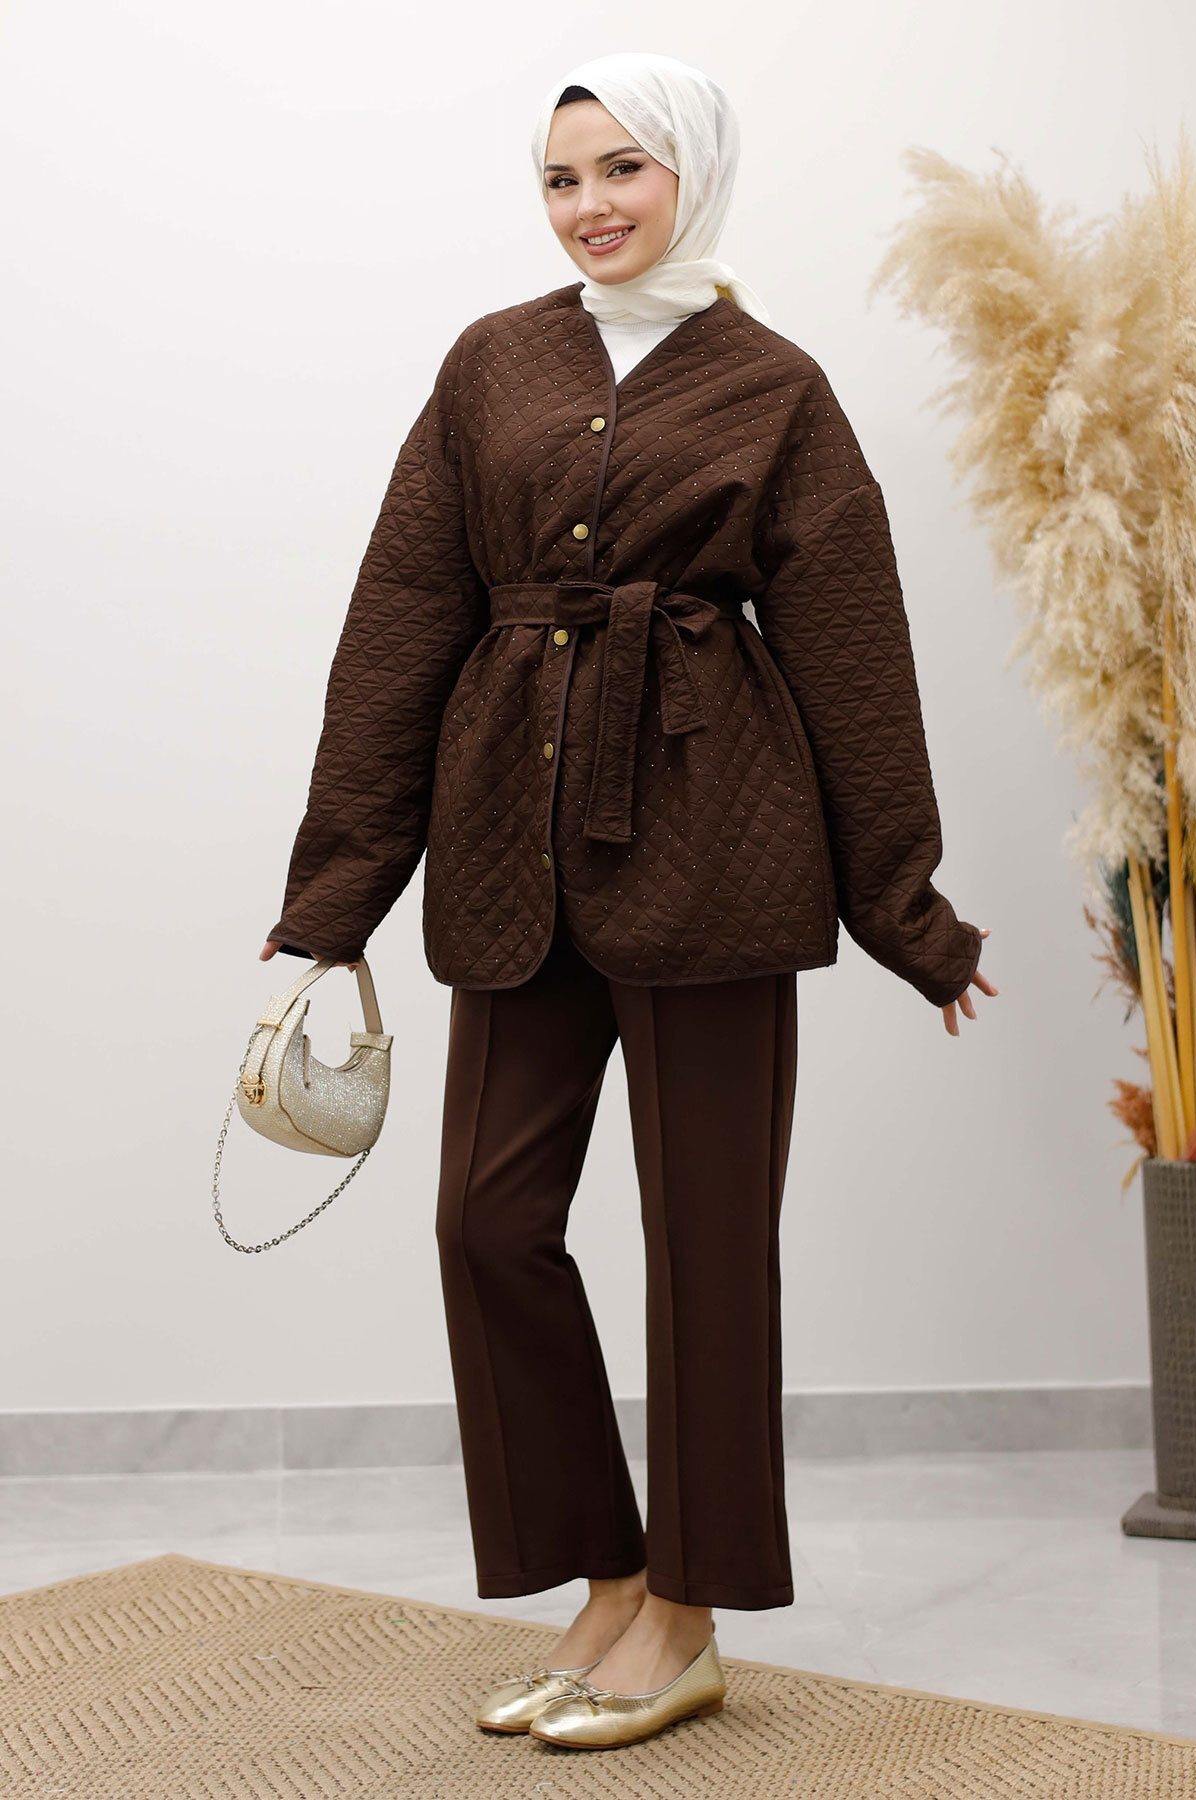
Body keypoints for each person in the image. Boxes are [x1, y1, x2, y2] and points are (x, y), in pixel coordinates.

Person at [260, 50, 999, 1752]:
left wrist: (910, 912)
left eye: (624, 169)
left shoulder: (778, 387)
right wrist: (334, 893)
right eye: (560, 176)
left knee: (708, 1246)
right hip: (507, 842)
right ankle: (610, 1580)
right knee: (485, 1221)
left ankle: (689, 1617)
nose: (589, 205)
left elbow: (852, 648)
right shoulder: (491, 364)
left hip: (720, 843)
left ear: (694, 175)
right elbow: (403, 613)